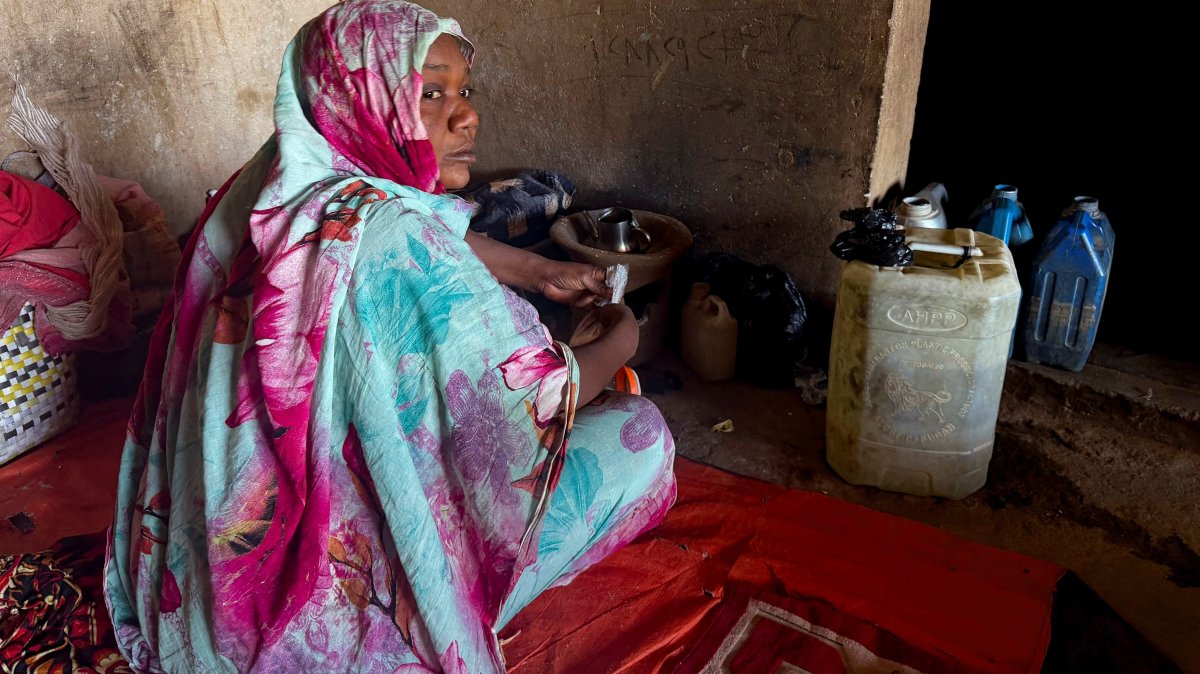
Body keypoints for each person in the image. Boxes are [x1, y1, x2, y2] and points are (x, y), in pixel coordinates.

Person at [101, 1, 677, 671]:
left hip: (209, 582)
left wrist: (536, 270)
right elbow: (530, 405)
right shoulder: (400, 247)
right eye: (430, 94)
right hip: (338, 596)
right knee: (639, 435)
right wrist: (620, 340)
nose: (467, 115)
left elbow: (399, 214)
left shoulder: (271, 183)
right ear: (364, 101)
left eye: (464, 90)